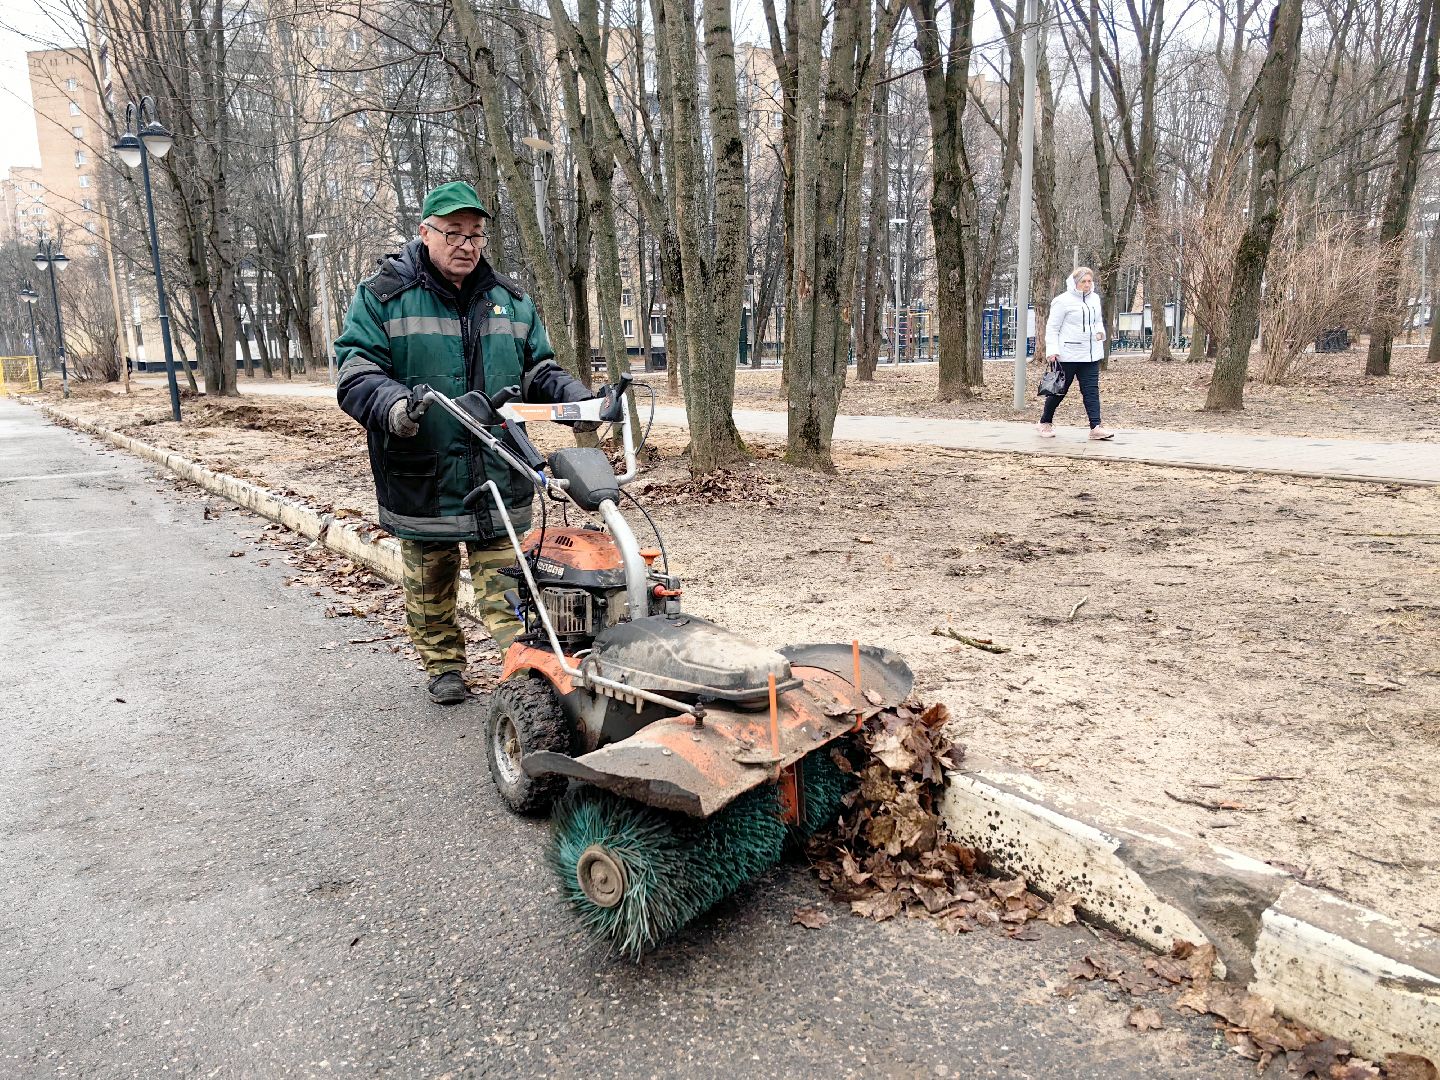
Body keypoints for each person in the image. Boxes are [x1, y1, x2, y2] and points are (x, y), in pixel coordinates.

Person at [335, 181, 595, 705]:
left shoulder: (511, 301)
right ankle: (443, 665)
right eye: (453, 233)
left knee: (510, 587)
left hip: (499, 468)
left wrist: (577, 399)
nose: (466, 245)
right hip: (423, 469)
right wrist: (396, 407)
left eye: (476, 234)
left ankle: (525, 677)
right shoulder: (382, 297)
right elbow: (357, 372)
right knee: (430, 583)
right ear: (425, 232)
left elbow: (537, 370)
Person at [1037, 266, 1114, 441]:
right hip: (1068, 354)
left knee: (1091, 391)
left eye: (1089, 281)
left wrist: (1100, 333)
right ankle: (1045, 422)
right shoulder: (1062, 301)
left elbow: (1098, 321)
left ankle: (1096, 427)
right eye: (1083, 281)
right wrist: (1052, 351)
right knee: (1059, 391)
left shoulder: (1095, 299)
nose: (1087, 285)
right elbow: (1052, 328)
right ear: (1074, 283)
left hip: (1090, 354)